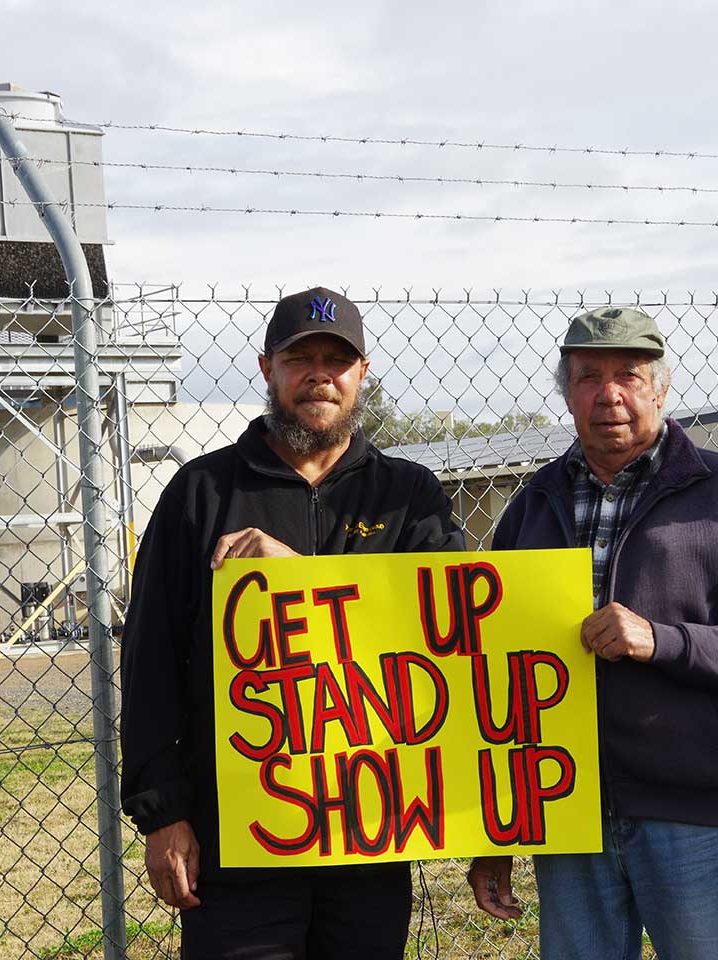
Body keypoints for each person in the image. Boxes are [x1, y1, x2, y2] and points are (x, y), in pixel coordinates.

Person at [120, 287, 465, 960]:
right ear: (266, 369)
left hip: (373, 825)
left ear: (361, 374)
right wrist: (164, 815)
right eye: (299, 358)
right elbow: (152, 662)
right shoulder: (203, 492)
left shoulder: (408, 494)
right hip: (242, 835)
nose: (319, 375)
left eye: (336, 360)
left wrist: (300, 575)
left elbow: (446, 632)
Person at [465, 306, 718, 960]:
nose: (608, 393)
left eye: (629, 375)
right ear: (567, 393)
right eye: (588, 376)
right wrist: (496, 831)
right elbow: (489, 675)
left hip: (693, 813)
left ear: (661, 387)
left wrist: (663, 640)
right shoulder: (532, 505)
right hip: (566, 814)